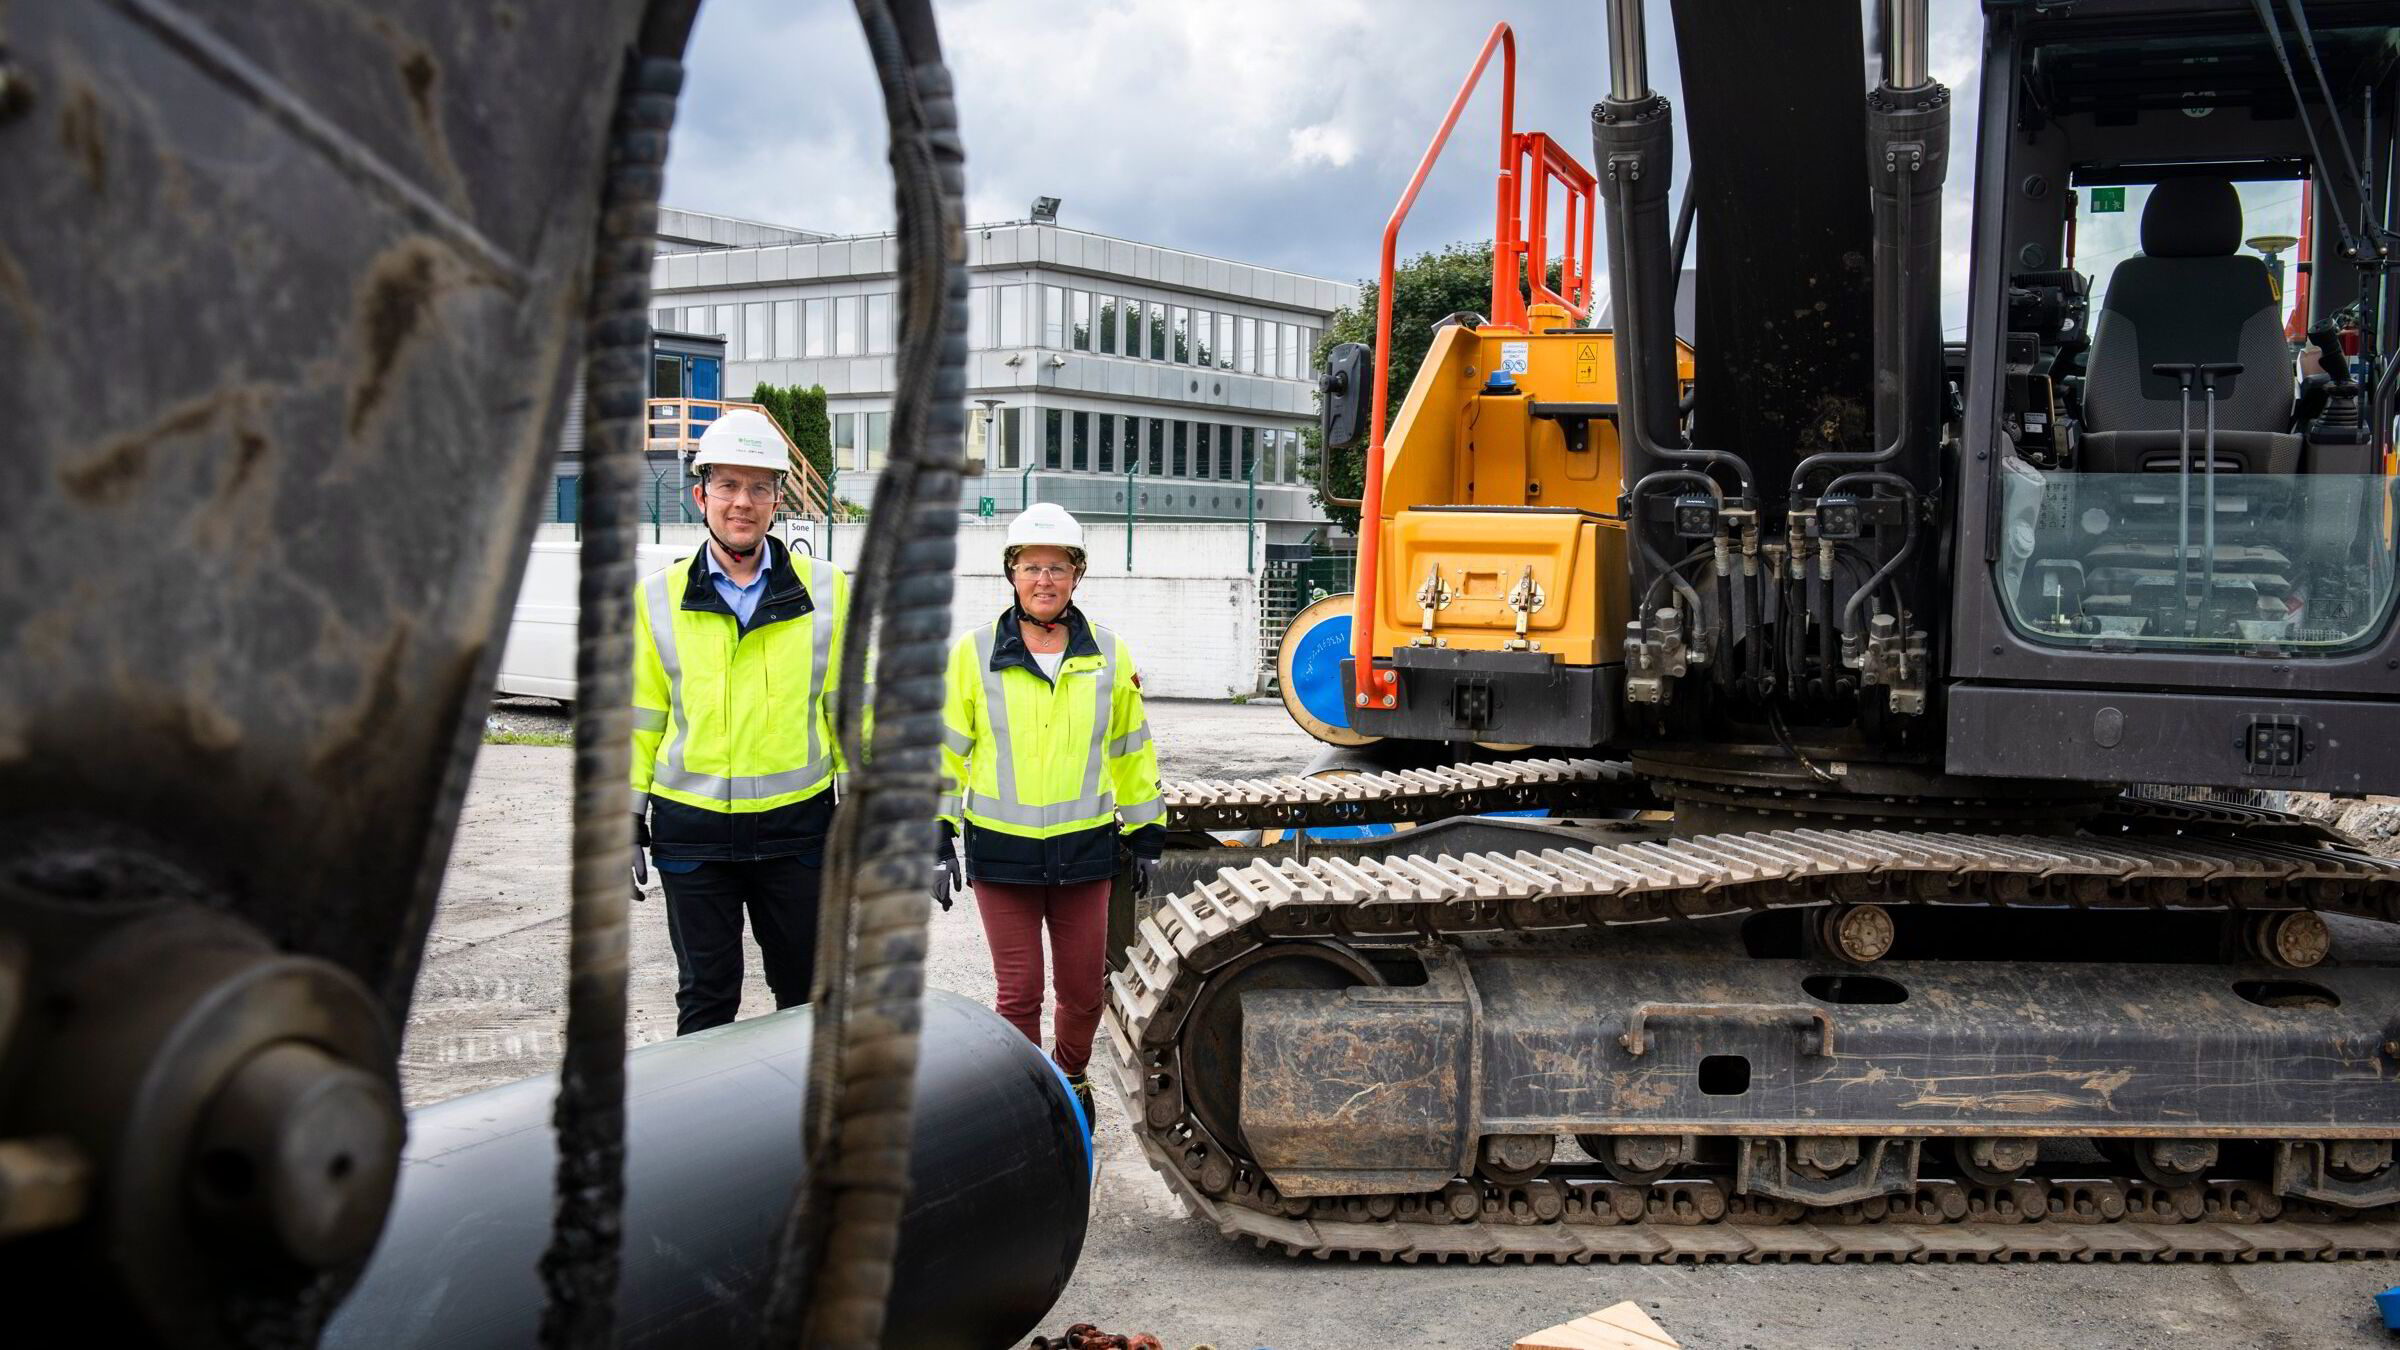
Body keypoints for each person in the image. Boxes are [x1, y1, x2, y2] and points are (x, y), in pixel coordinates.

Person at [935, 503, 1165, 1123]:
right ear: (1011, 574)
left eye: (1057, 567)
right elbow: (948, 750)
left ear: (1077, 575)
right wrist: (936, 831)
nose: (1044, 580)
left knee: (1085, 991)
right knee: (1018, 993)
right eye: (1031, 566)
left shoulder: (1109, 656)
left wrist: (1146, 829)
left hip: (1084, 853)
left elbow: (1129, 749)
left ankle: (1069, 1078)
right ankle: (1026, 1097)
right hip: (1003, 854)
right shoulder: (974, 653)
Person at [631, 408, 851, 1035]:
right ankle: (704, 1135)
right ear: (700, 494)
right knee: (706, 998)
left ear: (778, 499)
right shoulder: (656, 598)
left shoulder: (828, 591)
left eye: (758, 487)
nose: (741, 503)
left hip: (798, 831)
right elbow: (638, 717)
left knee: (807, 999)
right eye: (727, 486)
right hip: (693, 834)